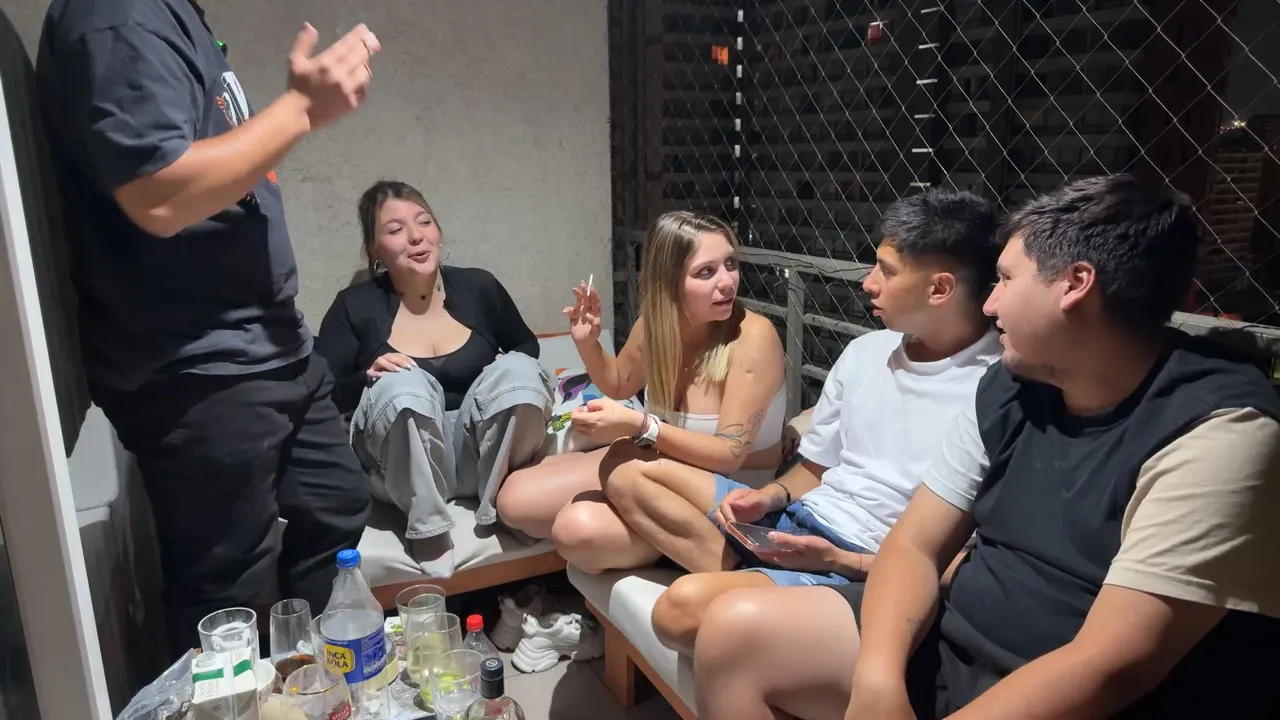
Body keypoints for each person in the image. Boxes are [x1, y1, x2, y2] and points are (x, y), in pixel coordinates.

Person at [693, 175, 1280, 720]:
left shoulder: (1220, 428)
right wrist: (878, 681)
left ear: (1075, 285)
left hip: (1076, 697)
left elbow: (1112, 665)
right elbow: (914, 546)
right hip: (953, 638)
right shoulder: (1011, 386)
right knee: (731, 633)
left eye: (1005, 279)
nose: (990, 303)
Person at [35, 0, 380, 655]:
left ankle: (304, 678)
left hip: (273, 343)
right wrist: (301, 108)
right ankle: (240, 690)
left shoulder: (176, 15)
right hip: (198, 361)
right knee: (228, 592)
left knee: (336, 503)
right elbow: (160, 193)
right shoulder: (119, 12)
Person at [602, 189, 1004, 654]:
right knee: (624, 472)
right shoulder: (865, 352)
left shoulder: (998, 391)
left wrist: (842, 560)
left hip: (861, 560)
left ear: (939, 289)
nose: (868, 283)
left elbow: (968, 556)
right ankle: (757, 571)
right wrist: (768, 496)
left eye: (886, 271)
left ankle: (760, 580)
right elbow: (813, 469)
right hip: (802, 519)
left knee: (679, 609)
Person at [495, 211, 789, 547]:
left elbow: (729, 454)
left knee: (577, 527)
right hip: (663, 466)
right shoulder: (657, 326)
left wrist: (640, 425)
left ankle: (712, 552)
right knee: (515, 498)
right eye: (706, 272)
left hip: (731, 491)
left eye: (730, 263)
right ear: (669, 280)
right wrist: (588, 343)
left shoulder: (753, 337)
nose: (727, 281)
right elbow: (619, 383)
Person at [315, 181, 550, 575]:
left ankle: (504, 502)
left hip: (484, 456)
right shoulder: (354, 306)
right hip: (403, 470)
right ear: (375, 250)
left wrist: (498, 371)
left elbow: (526, 346)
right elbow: (321, 390)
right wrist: (365, 379)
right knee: (400, 384)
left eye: (424, 221)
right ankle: (426, 527)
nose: (415, 236)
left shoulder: (479, 286)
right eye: (395, 229)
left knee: (519, 369)